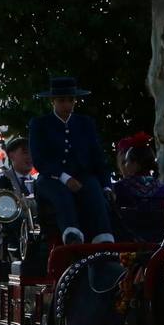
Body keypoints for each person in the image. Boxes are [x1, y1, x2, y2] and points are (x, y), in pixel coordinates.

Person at [27, 76, 113, 245]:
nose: (67, 105)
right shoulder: (40, 124)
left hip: (82, 175)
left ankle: (103, 236)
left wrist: (106, 185)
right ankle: (71, 234)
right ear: (53, 101)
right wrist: (64, 177)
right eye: (62, 100)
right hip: (51, 177)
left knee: (95, 190)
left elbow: (97, 157)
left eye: (71, 100)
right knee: (61, 195)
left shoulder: (85, 123)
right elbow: (39, 160)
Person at [0, 136, 35, 262]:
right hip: (2, 238)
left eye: (32, 152)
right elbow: (1, 207)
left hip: (31, 237)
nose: (30, 157)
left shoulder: (38, 183)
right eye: (25, 152)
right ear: (11, 155)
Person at [110, 133, 164, 240]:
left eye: (127, 161)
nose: (125, 165)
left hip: (129, 241)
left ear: (136, 164)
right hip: (159, 240)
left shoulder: (120, 187)